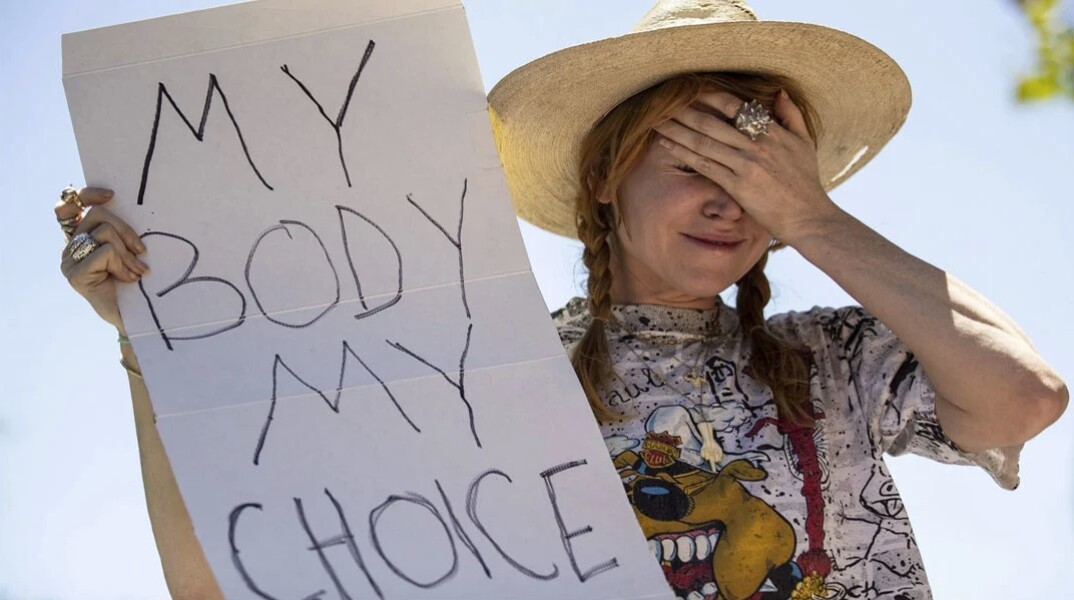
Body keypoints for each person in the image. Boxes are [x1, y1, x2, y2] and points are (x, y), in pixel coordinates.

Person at [57, 1, 1066, 599]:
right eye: (692, 157)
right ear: (604, 177)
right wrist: (152, 340)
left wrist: (813, 220)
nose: (732, 196)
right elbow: (220, 580)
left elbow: (1024, 397)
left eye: (762, 162)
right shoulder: (489, 378)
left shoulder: (834, 357)